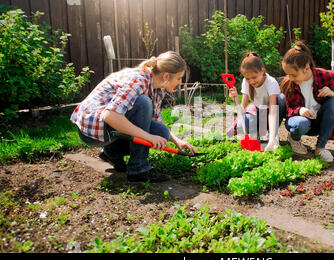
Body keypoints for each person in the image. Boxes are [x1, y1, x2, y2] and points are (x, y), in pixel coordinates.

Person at [70, 51, 197, 183]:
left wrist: (177, 141)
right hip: (93, 129)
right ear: (166, 76)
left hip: (110, 127)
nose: (180, 83)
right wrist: (148, 137)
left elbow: (155, 118)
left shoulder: (158, 87)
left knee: (162, 133)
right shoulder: (138, 80)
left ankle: (111, 153)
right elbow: (110, 115)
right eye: (179, 78)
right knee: (143, 102)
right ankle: (138, 169)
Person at [280, 41, 334, 162]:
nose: (290, 78)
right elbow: (288, 109)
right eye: (288, 74)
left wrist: (332, 93)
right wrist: (300, 110)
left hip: (320, 122)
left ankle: (320, 148)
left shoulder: (327, 76)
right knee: (300, 123)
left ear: (307, 68)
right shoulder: (288, 83)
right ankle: (294, 139)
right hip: (300, 122)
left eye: (293, 75)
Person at [227, 52, 286, 152]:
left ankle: (273, 135)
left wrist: (272, 138)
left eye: (254, 77)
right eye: (248, 78)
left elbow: (273, 112)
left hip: (272, 113)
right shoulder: (246, 82)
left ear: (262, 71)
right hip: (258, 112)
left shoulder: (271, 82)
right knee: (242, 125)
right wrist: (235, 99)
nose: (251, 81)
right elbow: (242, 109)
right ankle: (259, 133)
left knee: (281, 99)